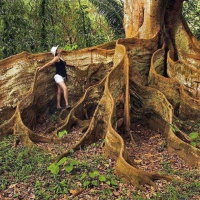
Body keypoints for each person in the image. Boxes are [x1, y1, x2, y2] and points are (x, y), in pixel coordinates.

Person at [38, 46, 72, 110]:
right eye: (58, 48)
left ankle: (58, 106)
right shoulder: (56, 58)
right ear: (56, 51)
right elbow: (50, 63)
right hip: (58, 76)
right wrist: (41, 68)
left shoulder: (60, 57)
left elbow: (65, 63)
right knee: (65, 88)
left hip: (62, 76)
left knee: (59, 91)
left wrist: (73, 65)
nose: (59, 48)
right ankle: (67, 104)